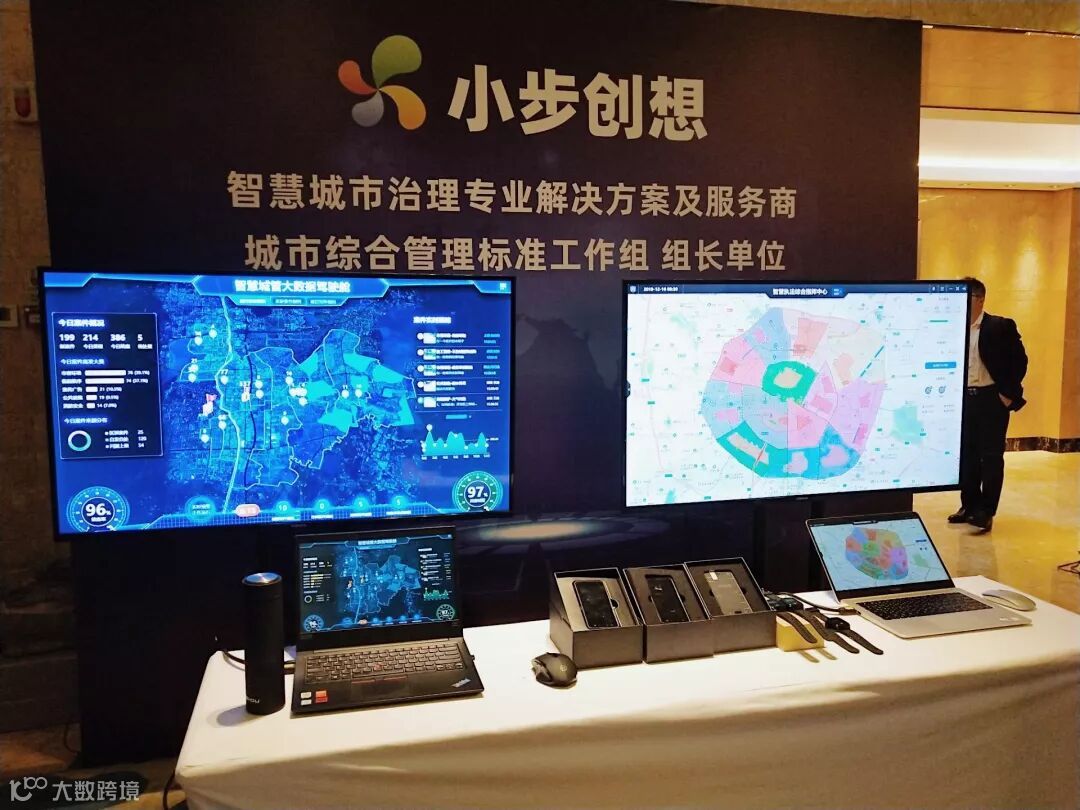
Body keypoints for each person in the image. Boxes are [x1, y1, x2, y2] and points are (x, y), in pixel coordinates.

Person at [948, 277, 1028, 533]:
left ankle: (986, 510)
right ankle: (969, 505)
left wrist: (1008, 394)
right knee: (967, 455)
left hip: (991, 399)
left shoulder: (1000, 326)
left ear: (980, 300)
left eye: (967, 297)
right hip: (964, 399)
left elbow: (1020, 361)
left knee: (991, 456)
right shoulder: (952, 327)